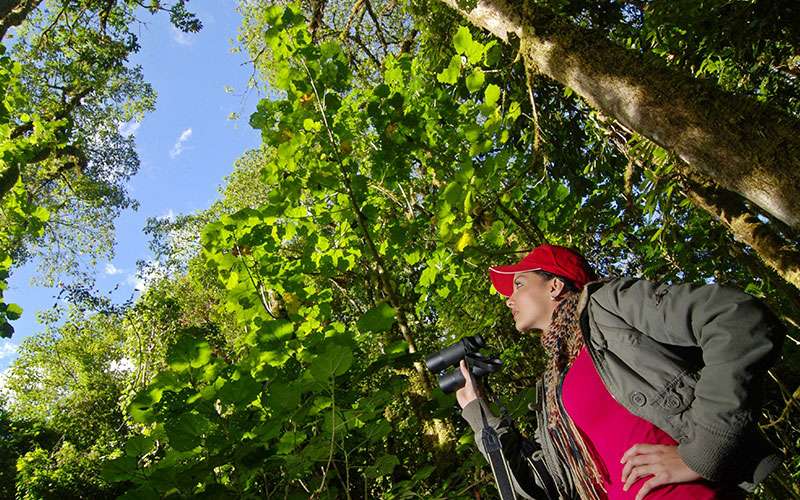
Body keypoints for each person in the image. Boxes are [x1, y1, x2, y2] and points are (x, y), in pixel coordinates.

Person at [456, 244, 785, 500]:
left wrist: (702, 453)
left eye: (519, 283)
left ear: (554, 286)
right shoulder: (552, 387)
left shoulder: (608, 306)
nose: (509, 299)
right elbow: (543, 487)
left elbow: (737, 320)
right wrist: (478, 412)